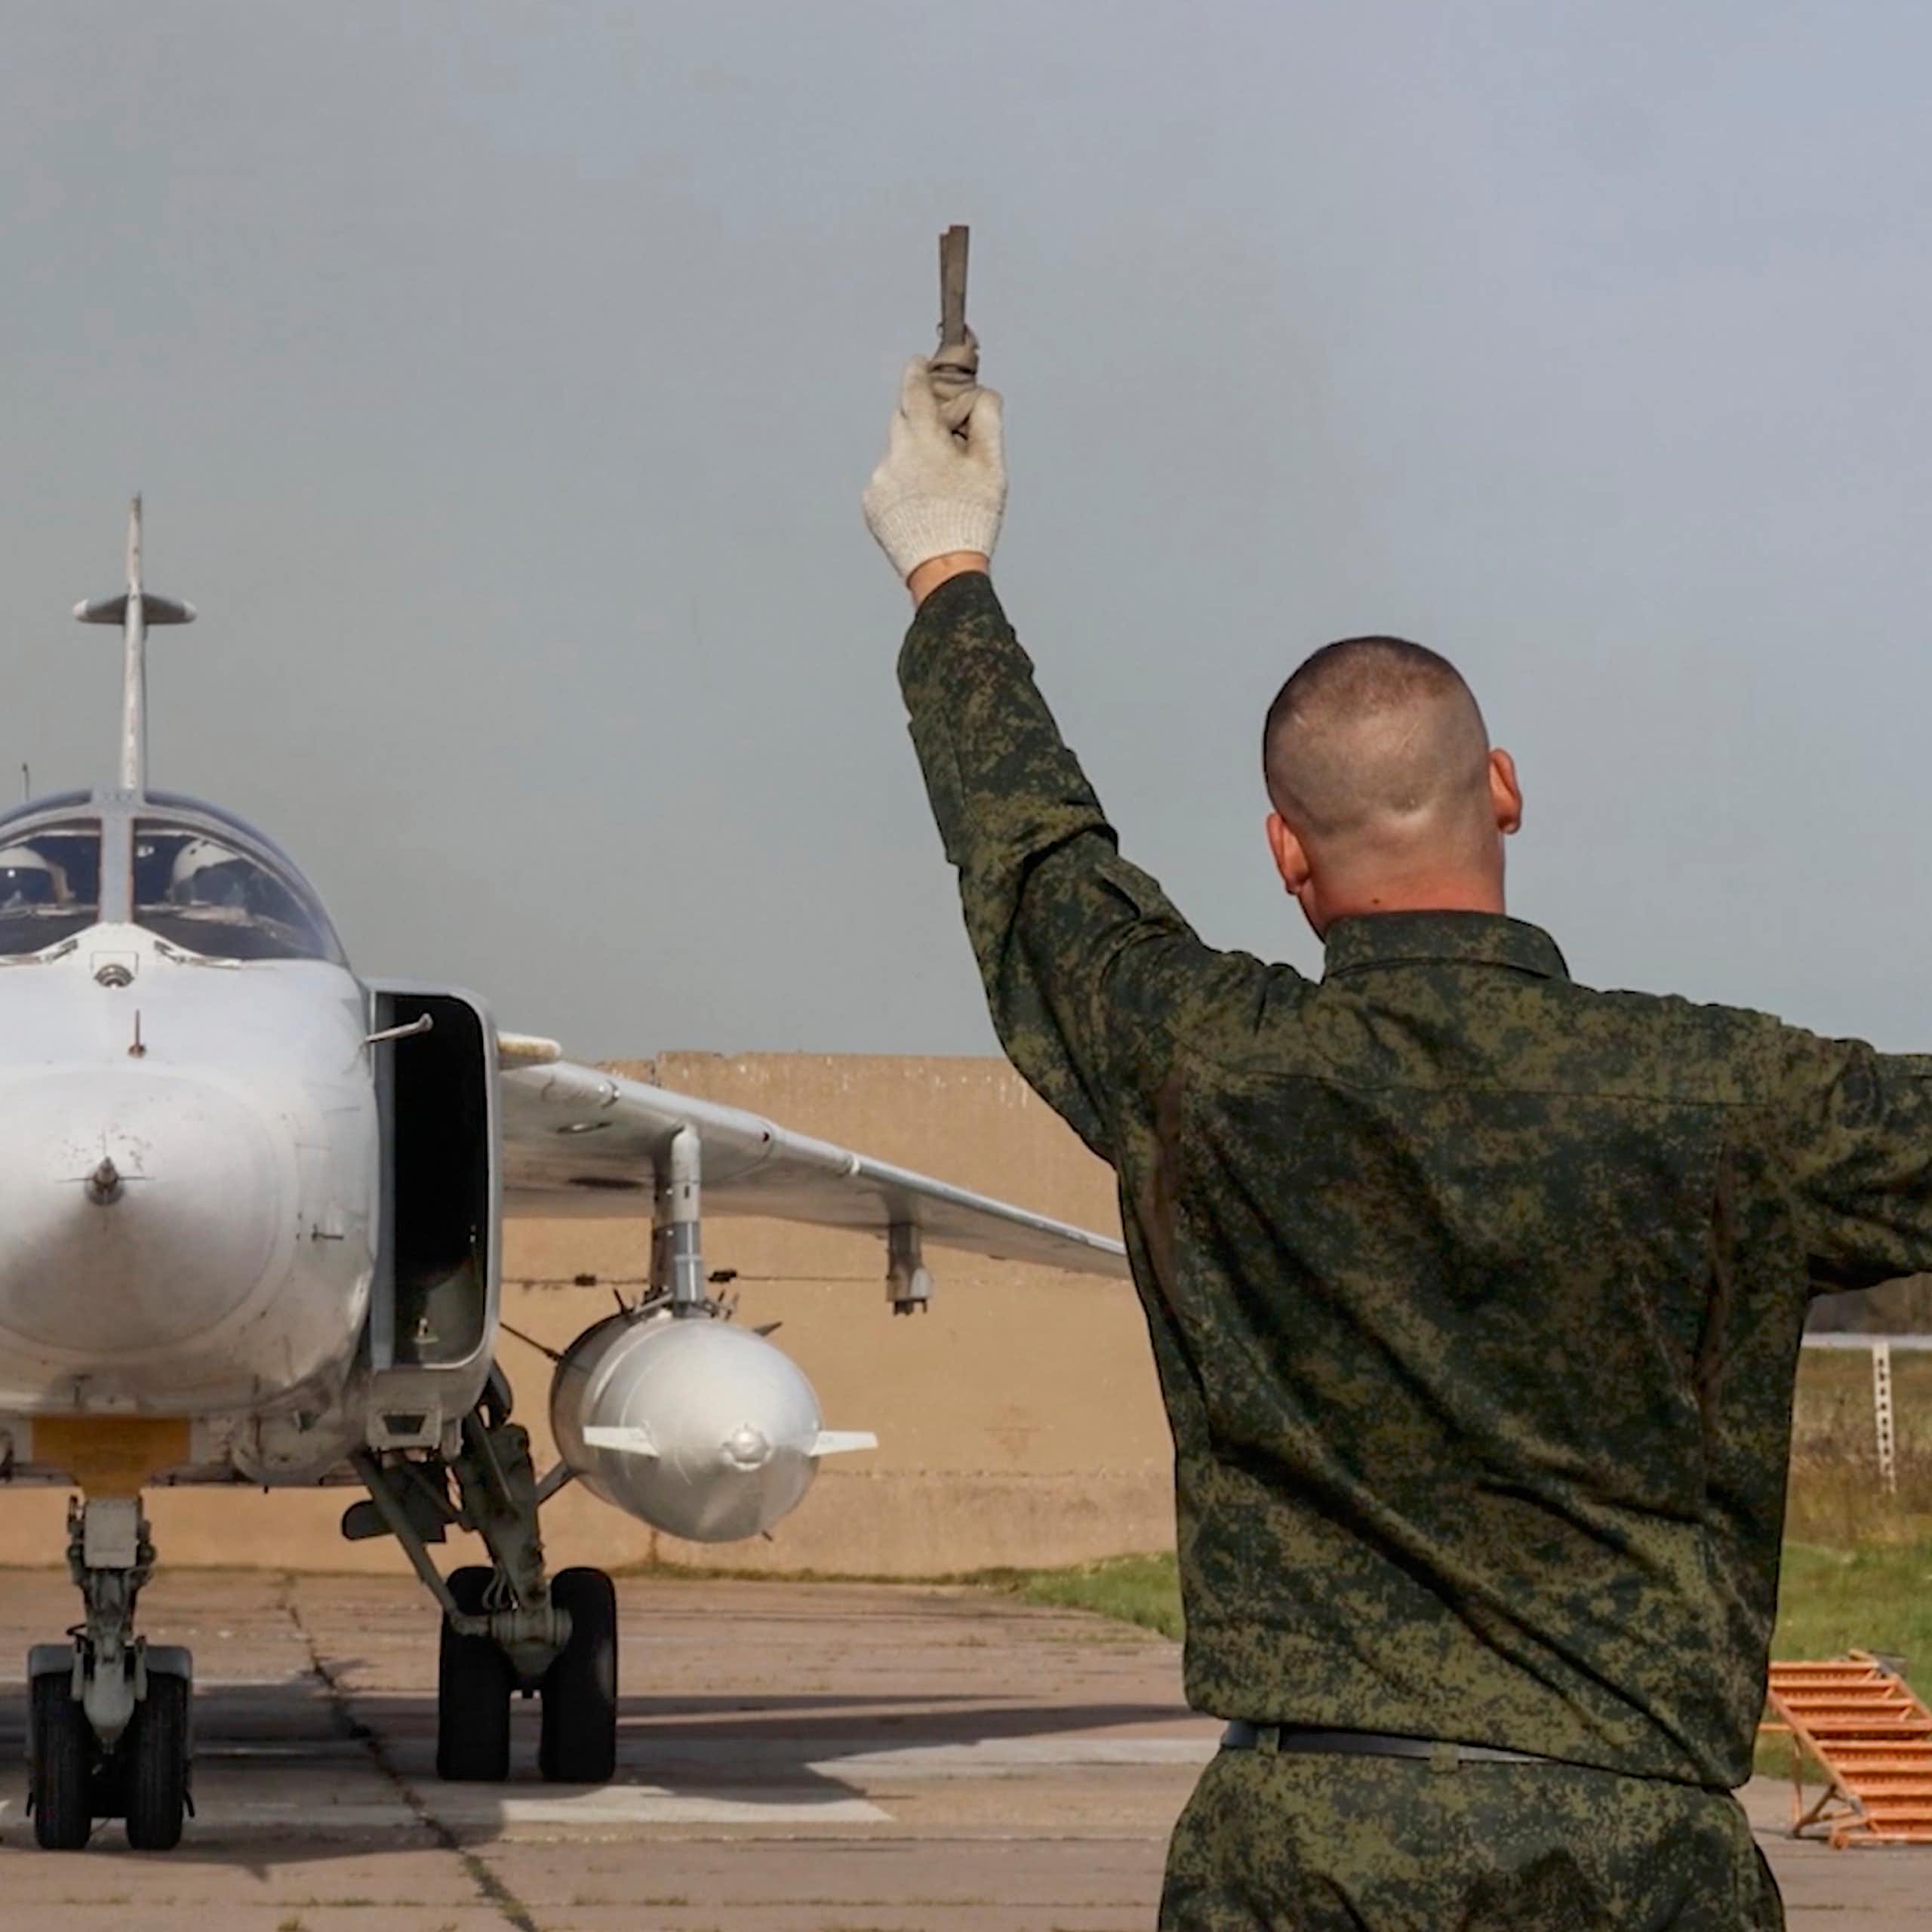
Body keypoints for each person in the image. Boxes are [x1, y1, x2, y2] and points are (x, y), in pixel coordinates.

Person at [861, 356, 1932, 1930]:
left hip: (1300, 1856)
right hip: (1629, 1861)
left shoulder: (1202, 1067)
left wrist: (945, 563)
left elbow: (1033, 863)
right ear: (1499, 790)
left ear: (1285, 856)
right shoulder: (1726, 1101)